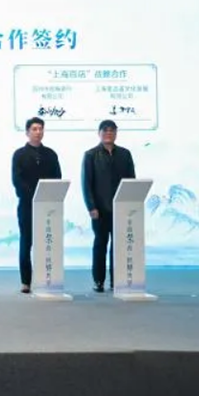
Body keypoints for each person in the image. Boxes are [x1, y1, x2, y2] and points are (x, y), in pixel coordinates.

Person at [81, 119, 136, 293]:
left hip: (120, 209)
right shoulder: (91, 155)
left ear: (116, 133)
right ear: (99, 133)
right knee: (100, 244)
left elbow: (131, 181)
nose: (109, 133)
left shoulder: (125, 154)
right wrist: (91, 207)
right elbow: (86, 184)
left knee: (119, 246)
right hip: (100, 209)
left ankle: (116, 280)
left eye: (112, 130)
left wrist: (130, 205)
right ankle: (98, 281)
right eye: (105, 130)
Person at [11, 117, 61, 293]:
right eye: (34, 129)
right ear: (27, 132)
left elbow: (57, 178)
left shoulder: (51, 154)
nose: (38, 132)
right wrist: (34, 195)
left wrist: (48, 196)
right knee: (26, 243)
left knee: (47, 242)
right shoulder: (19, 154)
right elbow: (17, 180)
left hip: (48, 207)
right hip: (27, 205)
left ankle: (46, 278)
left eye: (40, 129)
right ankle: (26, 281)